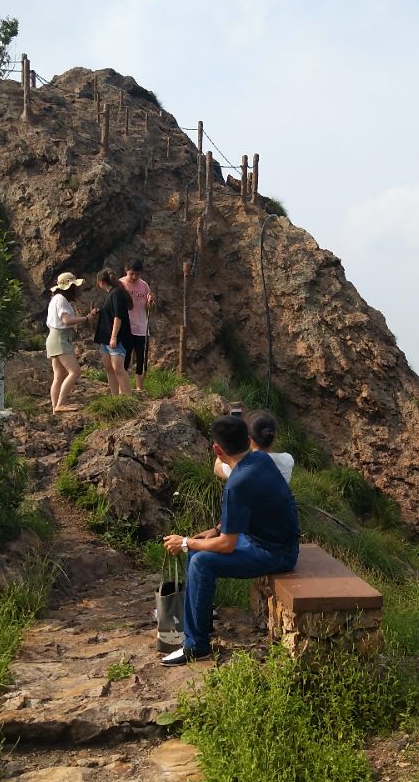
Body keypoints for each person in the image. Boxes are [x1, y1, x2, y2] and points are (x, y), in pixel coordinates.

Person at [162, 415, 300, 665]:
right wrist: (214, 530)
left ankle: (195, 646)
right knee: (197, 553)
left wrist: (184, 541)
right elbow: (250, 511)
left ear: (217, 449)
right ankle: (200, 619)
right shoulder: (258, 460)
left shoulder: (237, 483)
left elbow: (227, 545)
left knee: (201, 560)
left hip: (274, 553)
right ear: (248, 441)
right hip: (272, 542)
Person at [46, 272, 92, 413]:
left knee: (59, 375)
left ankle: (55, 407)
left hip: (53, 338)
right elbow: (66, 320)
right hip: (60, 339)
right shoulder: (61, 300)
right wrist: (86, 318)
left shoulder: (55, 299)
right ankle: (60, 404)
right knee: (75, 371)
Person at [213, 408, 295, 483]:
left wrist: (227, 439)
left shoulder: (243, 467)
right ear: (275, 434)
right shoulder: (287, 460)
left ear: (248, 439)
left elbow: (217, 469)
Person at [94, 267, 132, 395]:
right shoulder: (111, 294)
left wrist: (114, 336)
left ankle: (128, 398)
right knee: (109, 368)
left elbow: (118, 316)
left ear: (101, 282)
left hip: (115, 337)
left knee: (118, 368)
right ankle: (115, 397)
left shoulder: (116, 293)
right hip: (105, 337)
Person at [119, 259, 152, 392]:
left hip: (141, 327)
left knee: (141, 358)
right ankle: (123, 388)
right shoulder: (120, 284)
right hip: (125, 328)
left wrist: (150, 301)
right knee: (124, 358)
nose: (134, 277)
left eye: (137, 275)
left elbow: (148, 307)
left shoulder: (144, 285)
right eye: (131, 274)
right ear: (126, 271)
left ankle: (139, 387)